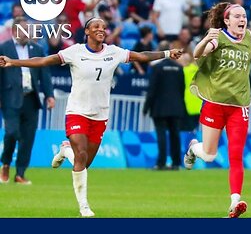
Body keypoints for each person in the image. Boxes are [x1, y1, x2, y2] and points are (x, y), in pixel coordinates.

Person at [0, 18, 183, 217]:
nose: (101, 30)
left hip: (100, 114)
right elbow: (44, 61)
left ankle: (64, 151)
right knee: (81, 157)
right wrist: (13, 62)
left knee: (84, 164)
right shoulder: (75, 52)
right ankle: (84, 206)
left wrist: (166, 53)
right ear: (86, 31)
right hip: (77, 111)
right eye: (96, 26)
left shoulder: (113, 52)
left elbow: (141, 56)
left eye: (104, 27)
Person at [182, 2, 251, 218]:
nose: (242, 19)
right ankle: (193, 148)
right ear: (227, 20)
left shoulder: (247, 37)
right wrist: (206, 38)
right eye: (237, 16)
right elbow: (198, 54)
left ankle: (235, 202)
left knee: (236, 155)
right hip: (215, 104)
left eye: (244, 16)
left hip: (239, 106)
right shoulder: (218, 39)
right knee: (208, 155)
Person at [0, 16, 55, 185]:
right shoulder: (4, 48)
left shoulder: (37, 49)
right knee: (11, 133)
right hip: (10, 98)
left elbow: (44, 74)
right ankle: (6, 164)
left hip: (31, 98)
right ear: (15, 31)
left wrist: (49, 95)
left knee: (28, 137)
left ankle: (20, 173)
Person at [143, 56, 186, 171]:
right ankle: (176, 163)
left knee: (161, 135)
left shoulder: (157, 68)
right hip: (176, 107)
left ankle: (161, 163)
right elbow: (182, 88)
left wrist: (146, 107)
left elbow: (152, 89)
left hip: (160, 107)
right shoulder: (179, 68)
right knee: (175, 135)